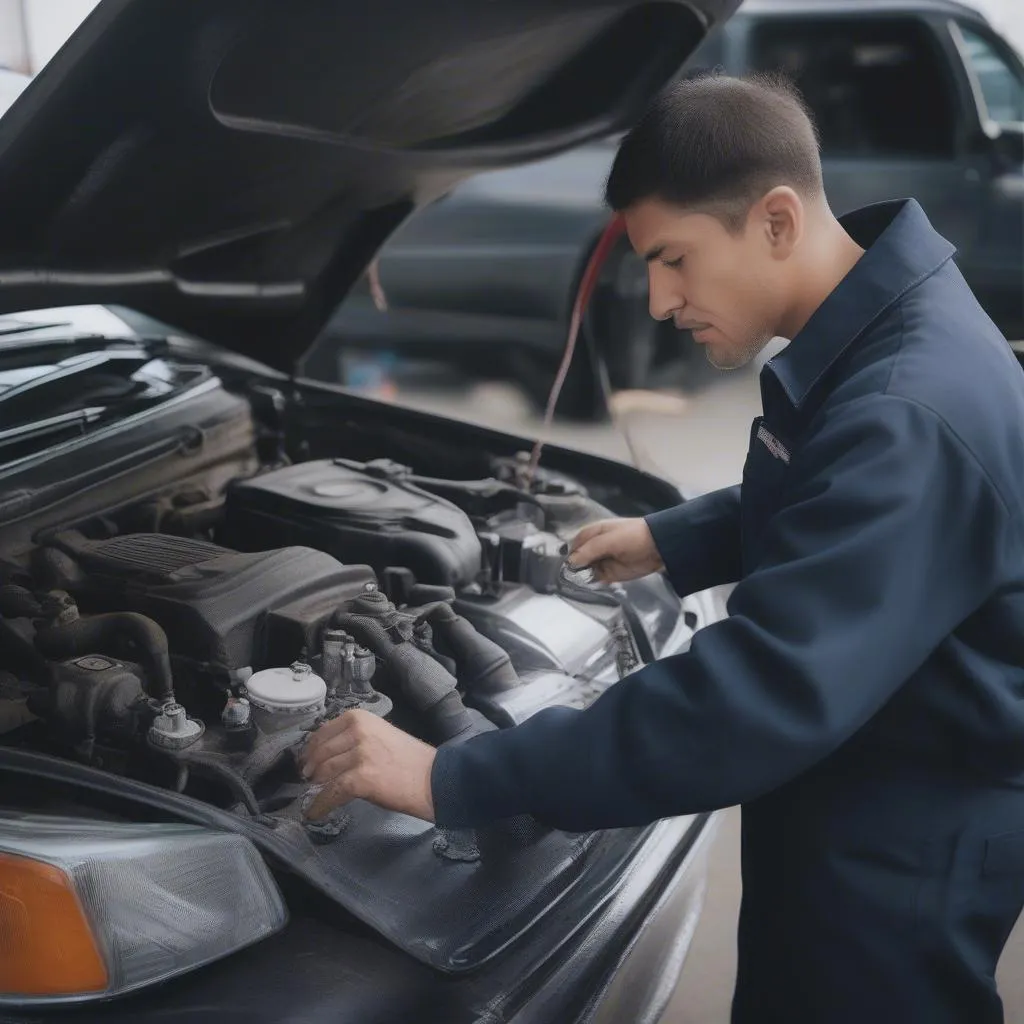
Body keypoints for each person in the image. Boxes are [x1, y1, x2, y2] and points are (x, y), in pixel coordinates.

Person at [301, 73, 1024, 1023]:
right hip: (872, 772)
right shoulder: (888, 332)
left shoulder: (903, 410)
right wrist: (674, 538)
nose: (657, 300)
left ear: (774, 221)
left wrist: (450, 776)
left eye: (674, 259)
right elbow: (838, 501)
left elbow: (752, 698)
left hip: (895, 841)